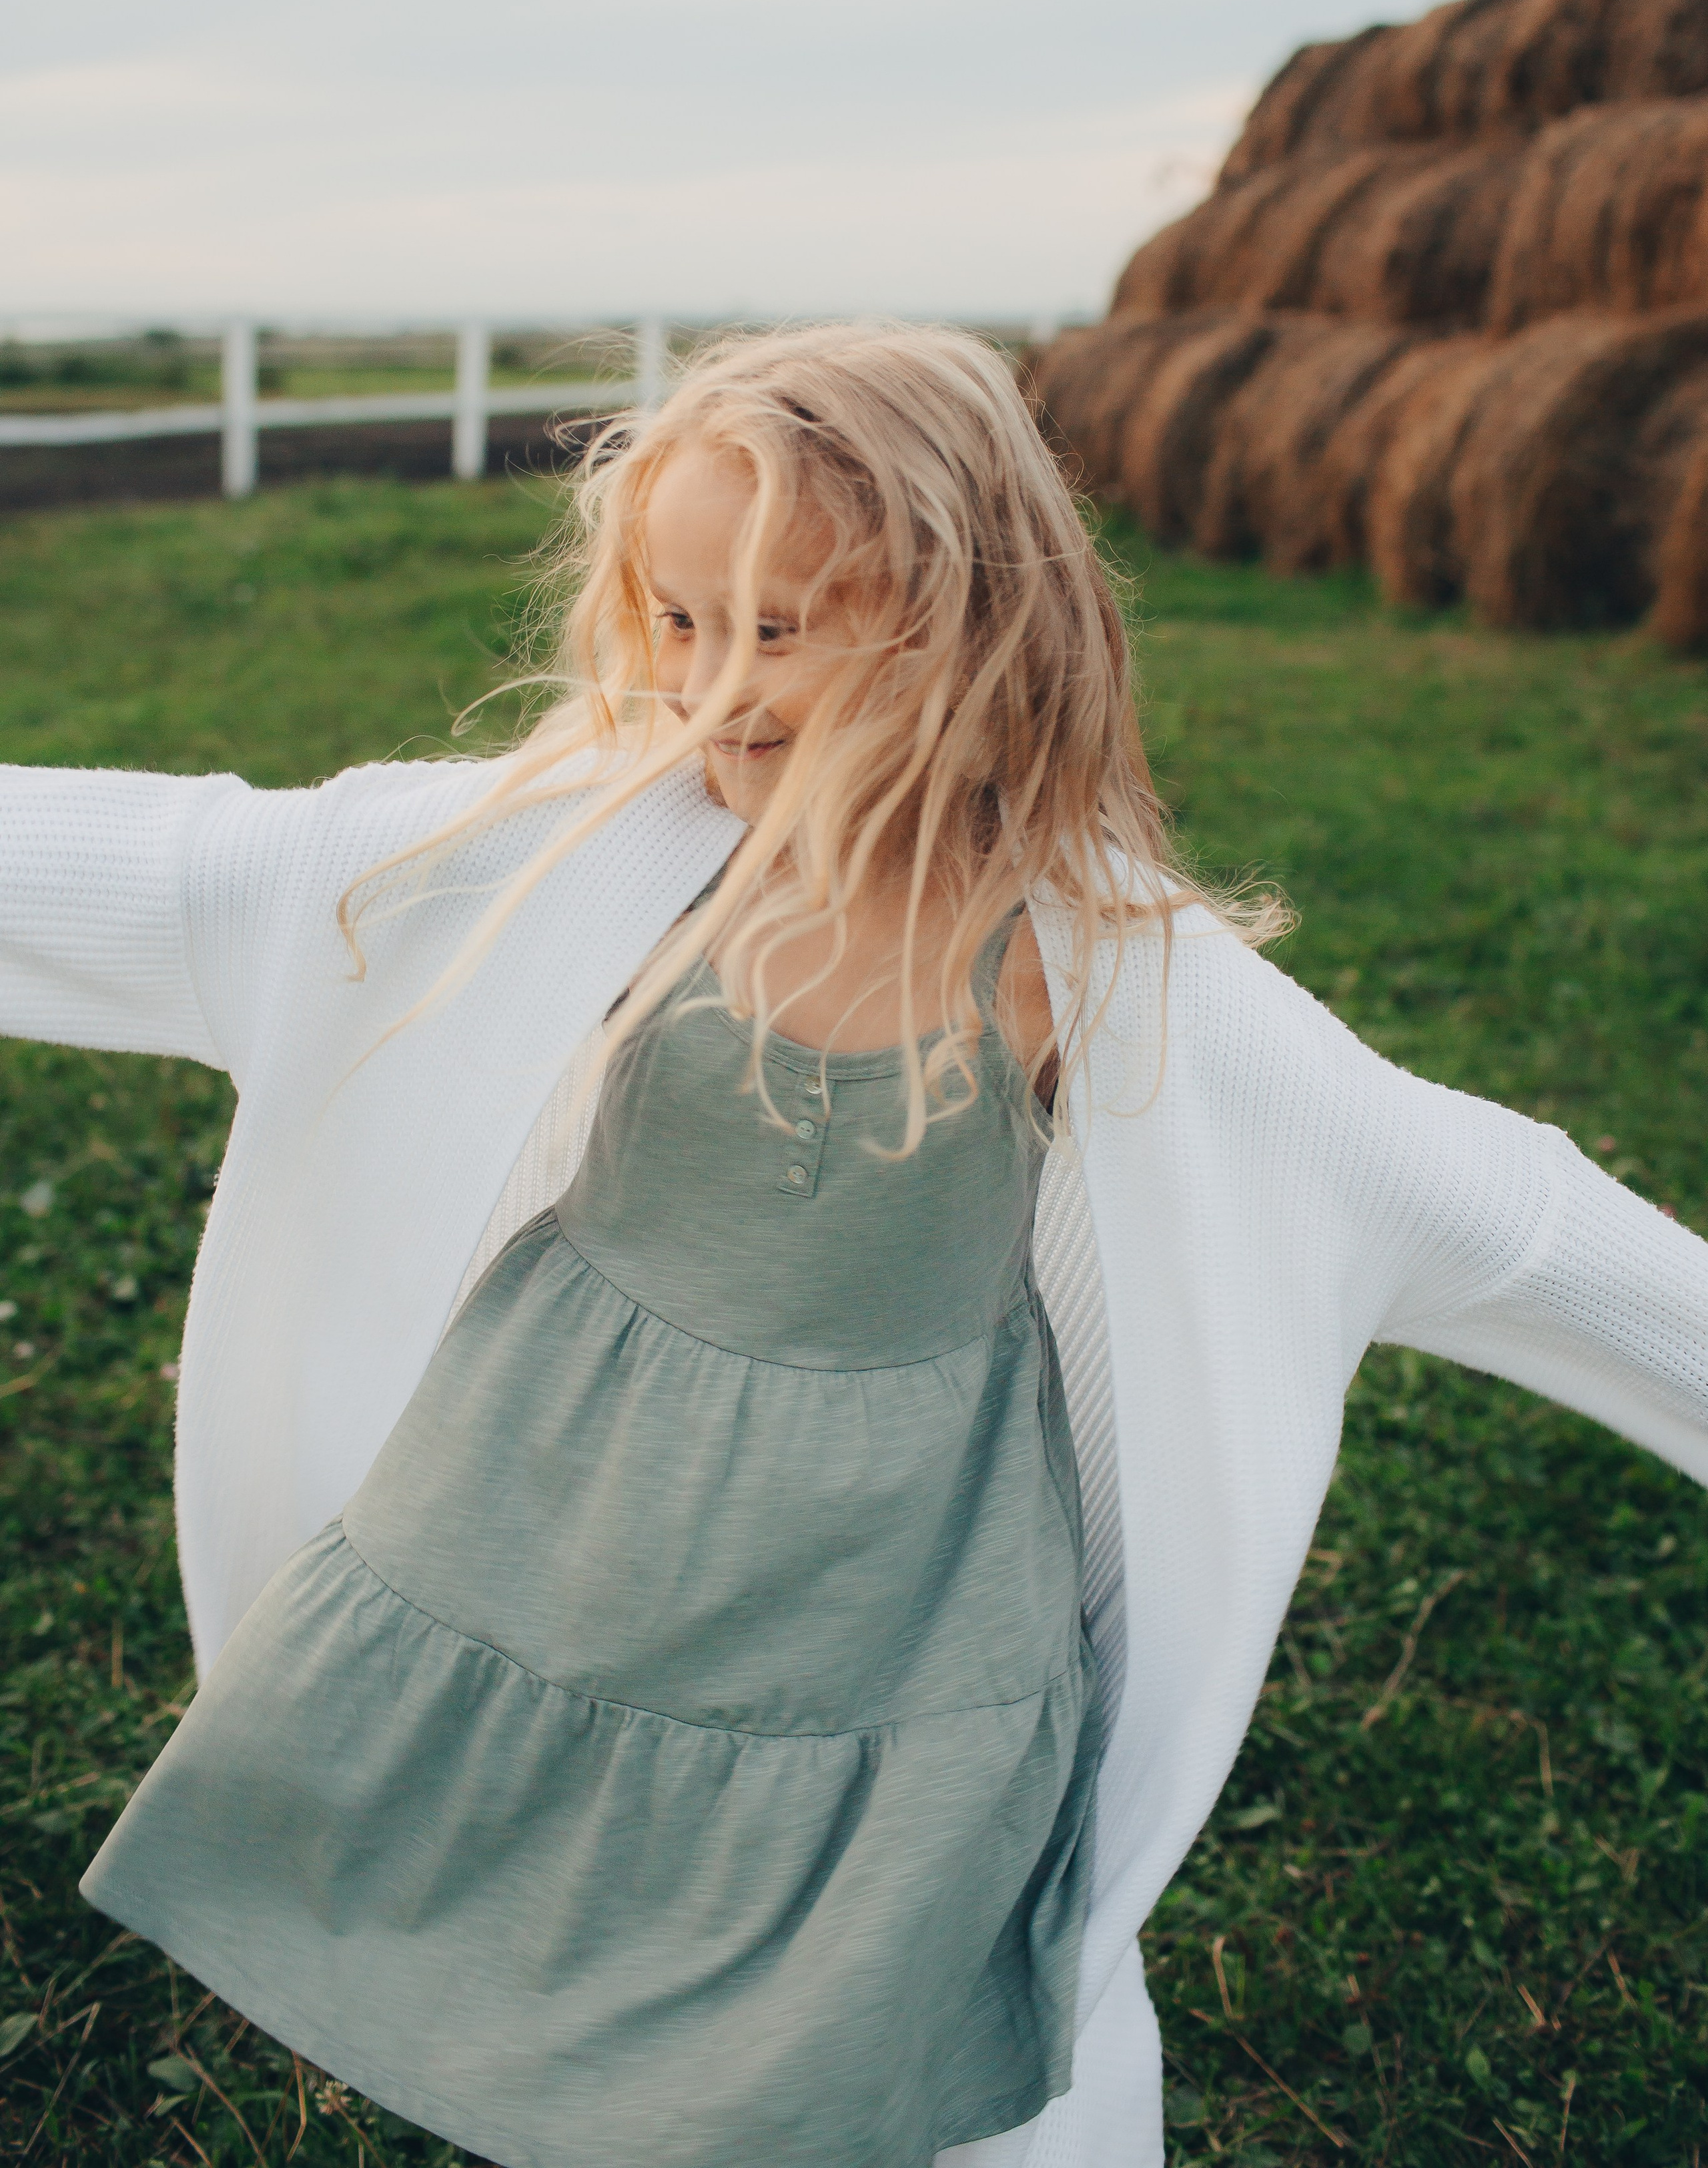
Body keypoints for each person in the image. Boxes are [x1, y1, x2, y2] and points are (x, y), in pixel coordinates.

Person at [1, 322, 1705, 2168]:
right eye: (675, 621)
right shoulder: (587, 857)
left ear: (964, 620)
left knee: (901, 1964)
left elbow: (1508, 1213)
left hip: (894, 1582)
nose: (707, 688)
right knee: (580, 1900)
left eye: (778, 629)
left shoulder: (1093, 972)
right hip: (564, 1509)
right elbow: (205, 873)